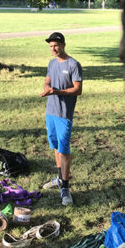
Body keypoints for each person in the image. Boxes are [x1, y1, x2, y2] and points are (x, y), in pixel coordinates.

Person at [40, 32, 82, 206]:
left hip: (64, 114)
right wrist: (47, 88)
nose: (53, 49)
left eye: (56, 45)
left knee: (64, 150)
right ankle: (59, 178)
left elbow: (77, 89)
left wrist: (56, 91)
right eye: (50, 46)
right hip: (51, 112)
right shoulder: (51, 63)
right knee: (56, 146)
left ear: (63, 44)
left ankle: (65, 187)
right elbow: (47, 81)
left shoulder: (74, 64)